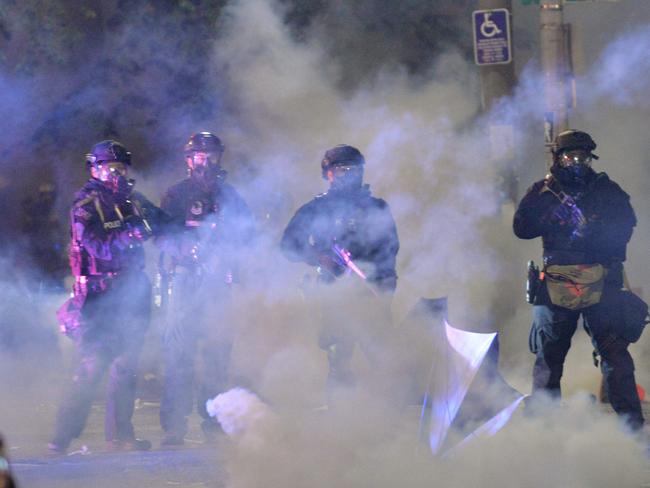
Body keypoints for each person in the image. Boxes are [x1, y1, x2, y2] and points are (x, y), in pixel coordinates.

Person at [513, 129, 645, 430]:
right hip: (557, 280)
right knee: (549, 357)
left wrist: (598, 232)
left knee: (615, 353)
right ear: (558, 157)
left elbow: (626, 224)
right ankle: (543, 428)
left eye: (582, 156)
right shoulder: (543, 191)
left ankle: (632, 432)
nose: (576, 162)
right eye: (570, 155)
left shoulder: (605, 189)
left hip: (600, 280)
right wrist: (551, 217)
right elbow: (521, 227)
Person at [49, 140, 166, 453]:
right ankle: (61, 435)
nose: (115, 173)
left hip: (133, 290)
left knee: (127, 365)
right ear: (95, 169)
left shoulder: (132, 199)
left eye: (120, 167)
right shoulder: (86, 203)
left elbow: (163, 222)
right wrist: (130, 235)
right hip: (99, 295)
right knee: (93, 364)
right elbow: (95, 246)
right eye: (108, 167)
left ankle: (121, 436)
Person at [157, 132, 255, 446]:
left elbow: (248, 235)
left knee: (217, 351)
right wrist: (184, 251)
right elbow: (160, 235)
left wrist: (231, 258)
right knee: (178, 352)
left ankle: (213, 421)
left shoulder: (230, 195)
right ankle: (174, 427)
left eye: (212, 154)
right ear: (188, 160)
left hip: (218, 283)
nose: (207, 160)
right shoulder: (176, 195)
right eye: (200, 154)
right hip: (186, 280)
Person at [281, 144, 399, 396]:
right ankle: (340, 418)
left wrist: (382, 283)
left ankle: (388, 416)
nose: (347, 175)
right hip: (334, 294)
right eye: (341, 169)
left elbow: (391, 248)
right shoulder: (316, 209)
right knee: (339, 358)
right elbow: (288, 245)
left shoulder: (376, 207)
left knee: (384, 359)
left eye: (353, 169)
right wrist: (318, 257)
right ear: (328, 173)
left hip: (371, 292)